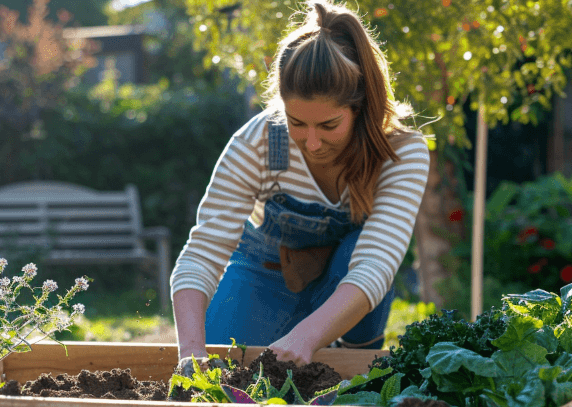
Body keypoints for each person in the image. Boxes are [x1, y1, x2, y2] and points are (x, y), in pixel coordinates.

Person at [171, 0, 430, 366]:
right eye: (296, 122)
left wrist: (305, 339)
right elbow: (200, 254)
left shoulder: (401, 151)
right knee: (228, 368)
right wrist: (192, 353)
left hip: (347, 287)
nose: (311, 142)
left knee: (356, 250)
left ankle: (350, 359)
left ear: (360, 107)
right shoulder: (258, 142)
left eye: (328, 126)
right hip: (265, 273)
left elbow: (376, 264)